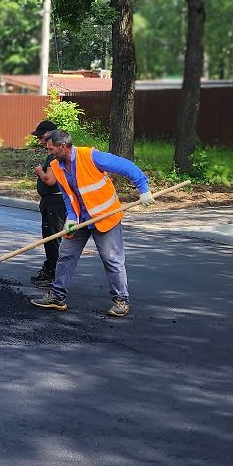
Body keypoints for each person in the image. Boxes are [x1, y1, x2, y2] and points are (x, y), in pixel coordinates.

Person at [31, 128, 153, 317]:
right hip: (80, 219)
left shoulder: (91, 156)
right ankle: (57, 296)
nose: (49, 153)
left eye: (50, 149)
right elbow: (67, 196)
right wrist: (71, 218)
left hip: (105, 216)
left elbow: (126, 166)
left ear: (62, 146)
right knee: (66, 255)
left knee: (112, 259)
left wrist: (143, 189)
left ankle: (121, 300)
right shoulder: (57, 166)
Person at [28, 119, 66, 288]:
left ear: (51, 134)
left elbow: (50, 180)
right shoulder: (54, 154)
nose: (40, 141)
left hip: (54, 203)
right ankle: (51, 270)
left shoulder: (53, 156)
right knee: (51, 238)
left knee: (52, 239)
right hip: (54, 202)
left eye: (41, 137)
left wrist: (39, 172)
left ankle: (52, 274)